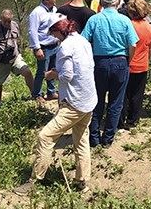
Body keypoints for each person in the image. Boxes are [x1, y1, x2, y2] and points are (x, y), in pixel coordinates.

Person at [14, 14, 98, 196]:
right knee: (82, 140)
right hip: (89, 100)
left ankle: (35, 181)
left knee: (45, 137)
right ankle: (82, 181)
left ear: (58, 30)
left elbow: (67, 75)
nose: (52, 36)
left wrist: (52, 74)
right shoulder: (82, 40)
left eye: (52, 32)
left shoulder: (65, 47)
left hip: (74, 103)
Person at [82, 0, 139, 147]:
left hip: (99, 62)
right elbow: (133, 44)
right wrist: (128, 60)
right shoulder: (124, 20)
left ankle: (93, 138)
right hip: (120, 61)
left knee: (96, 100)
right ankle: (107, 139)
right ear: (116, 3)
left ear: (101, 3)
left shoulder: (94, 19)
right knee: (116, 102)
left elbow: (84, 41)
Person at [0, 9, 34, 104]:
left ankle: (34, 94)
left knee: (27, 72)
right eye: (5, 21)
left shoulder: (15, 25)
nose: (7, 23)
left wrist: (20, 50)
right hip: (0, 60)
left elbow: (18, 39)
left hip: (14, 57)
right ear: (1, 18)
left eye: (9, 21)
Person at [119, 0, 151, 128]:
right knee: (137, 95)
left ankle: (121, 121)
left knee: (124, 94)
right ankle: (133, 120)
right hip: (143, 64)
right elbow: (150, 47)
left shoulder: (128, 25)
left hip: (129, 63)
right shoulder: (149, 27)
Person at [28, 0, 59, 103]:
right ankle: (37, 94)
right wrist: (37, 48)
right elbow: (32, 31)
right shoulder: (36, 12)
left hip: (55, 44)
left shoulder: (54, 10)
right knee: (42, 71)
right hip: (43, 47)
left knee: (53, 69)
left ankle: (51, 92)